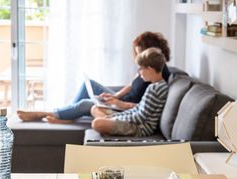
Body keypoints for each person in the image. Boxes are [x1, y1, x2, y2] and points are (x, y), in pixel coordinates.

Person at [17, 31, 171, 123]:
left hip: (126, 107)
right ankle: (69, 114)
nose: (138, 56)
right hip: (121, 101)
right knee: (88, 84)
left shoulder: (158, 73)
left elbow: (145, 105)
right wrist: (114, 95)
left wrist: (118, 104)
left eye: (140, 52)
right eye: (137, 53)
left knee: (86, 103)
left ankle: (46, 113)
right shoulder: (146, 68)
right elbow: (132, 84)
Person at [91, 47, 168, 137]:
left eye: (140, 69)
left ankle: (107, 129)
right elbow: (136, 109)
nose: (139, 73)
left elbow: (140, 117)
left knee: (96, 123)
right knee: (94, 108)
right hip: (134, 120)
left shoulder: (156, 89)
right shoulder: (155, 85)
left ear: (150, 69)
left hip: (139, 127)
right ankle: (108, 130)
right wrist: (114, 117)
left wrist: (114, 118)